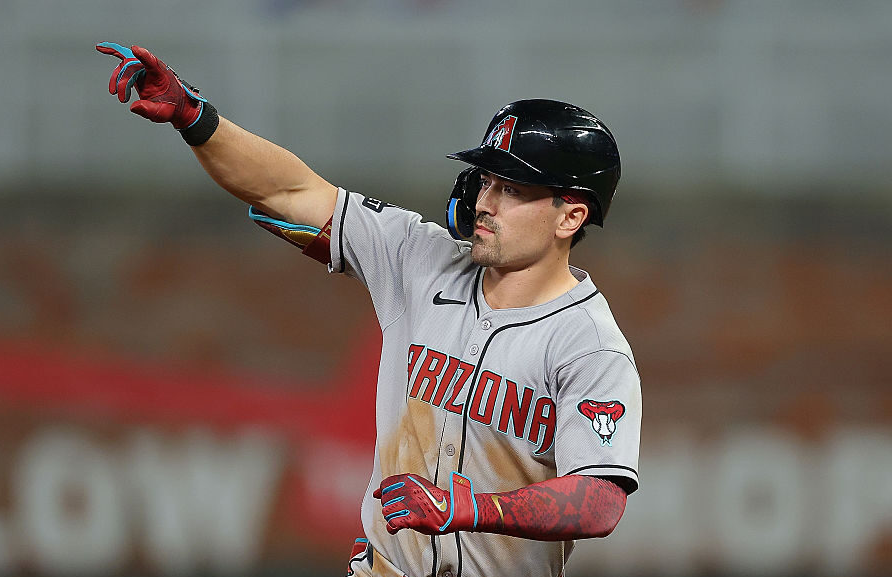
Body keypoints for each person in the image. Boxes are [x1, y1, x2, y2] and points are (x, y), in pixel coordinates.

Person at [97, 42, 641, 577]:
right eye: (487, 182)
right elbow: (291, 192)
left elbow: (599, 500)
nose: (484, 202)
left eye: (513, 190)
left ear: (570, 217)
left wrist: (467, 509)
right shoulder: (421, 258)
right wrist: (194, 117)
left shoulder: (589, 346)